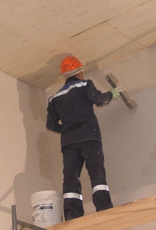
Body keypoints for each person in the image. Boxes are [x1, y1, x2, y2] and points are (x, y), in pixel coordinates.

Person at [46, 55, 122, 221]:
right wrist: (112, 93)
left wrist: (67, 130)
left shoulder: (54, 98)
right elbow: (99, 100)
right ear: (80, 72)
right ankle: (103, 207)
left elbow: (50, 125)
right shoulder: (85, 84)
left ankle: (72, 214)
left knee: (71, 177)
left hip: (69, 143)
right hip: (89, 136)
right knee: (96, 171)